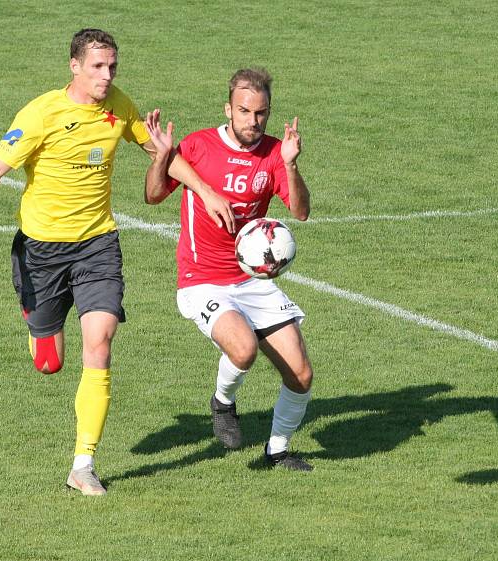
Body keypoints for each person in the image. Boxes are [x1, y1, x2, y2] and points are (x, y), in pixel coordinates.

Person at [0, 29, 234, 495]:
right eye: (99, 67)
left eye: (113, 67)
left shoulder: (118, 106)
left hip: (97, 246)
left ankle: (83, 465)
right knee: (50, 363)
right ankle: (34, 315)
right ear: (75, 67)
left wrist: (206, 191)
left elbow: (159, 153)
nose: (107, 76)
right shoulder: (41, 113)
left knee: (100, 342)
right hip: (42, 252)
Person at [143, 68, 315, 471]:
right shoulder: (199, 146)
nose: (253, 122)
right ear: (228, 109)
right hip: (202, 280)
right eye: (244, 112)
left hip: (251, 279)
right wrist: (165, 157)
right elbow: (152, 195)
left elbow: (301, 211)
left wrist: (290, 165)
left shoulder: (274, 152)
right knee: (243, 348)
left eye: (261, 114)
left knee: (301, 375)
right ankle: (222, 403)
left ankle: (277, 452)